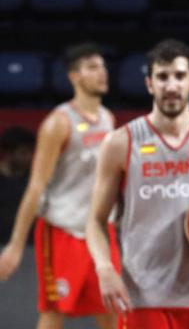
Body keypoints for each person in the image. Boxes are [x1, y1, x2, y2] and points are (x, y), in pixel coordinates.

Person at [85, 39, 189, 329]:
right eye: (162, 77)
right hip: (143, 297)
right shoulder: (120, 142)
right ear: (150, 84)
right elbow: (95, 221)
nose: (171, 85)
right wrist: (104, 269)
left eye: (179, 76)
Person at [0, 43, 119, 329]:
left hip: (101, 232)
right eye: (92, 67)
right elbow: (36, 185)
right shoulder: (58, 123)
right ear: (74, 76)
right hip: (63, 232)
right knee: (54, 313)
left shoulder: (108, 119)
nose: (102, 72)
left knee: (113, 306)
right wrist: (15, 246)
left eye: (103, 66)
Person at [0, 126, 35, 241]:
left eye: (31, 152)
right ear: (8, 154)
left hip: (28, 245)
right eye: (23, 153)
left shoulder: (34, 179)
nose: (29, 157)